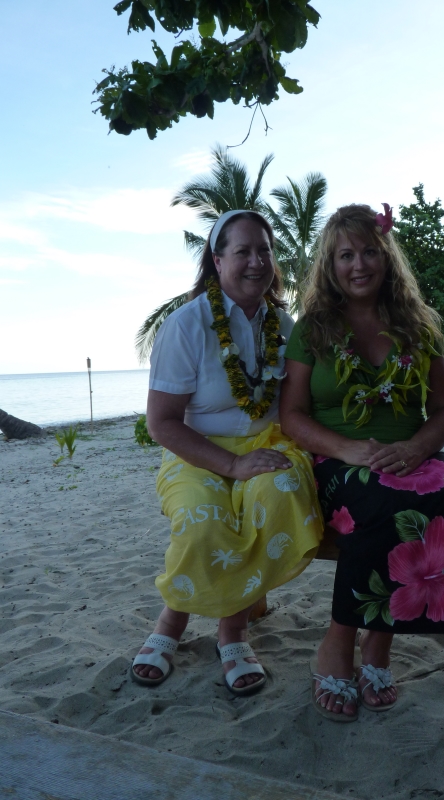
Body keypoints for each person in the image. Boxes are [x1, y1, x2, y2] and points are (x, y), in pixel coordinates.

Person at [280, 203, 444, 722]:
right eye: (346, 255)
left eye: (369, 252)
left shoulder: (418, 325)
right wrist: (349, 450)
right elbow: (291, 416)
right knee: (379, 505)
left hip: (413, 454)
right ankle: (338, 642)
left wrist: (418, 448)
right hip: (338, 460)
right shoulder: (312, 329)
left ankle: (379, 646)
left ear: (387, 258)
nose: (359, 265)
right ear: (330, 265)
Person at [131, 209, 323, 695]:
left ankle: (232, 630)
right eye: (243, 251)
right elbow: (162, 423)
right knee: (203, 521)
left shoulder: (284, 325)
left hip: (269, 443)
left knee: (277, 497)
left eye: (265, 250)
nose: (257, 261)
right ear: (217, 261)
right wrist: (232, 465)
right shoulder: (186, 325)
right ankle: (172, 621)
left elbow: (298, 405)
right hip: (195, 450)